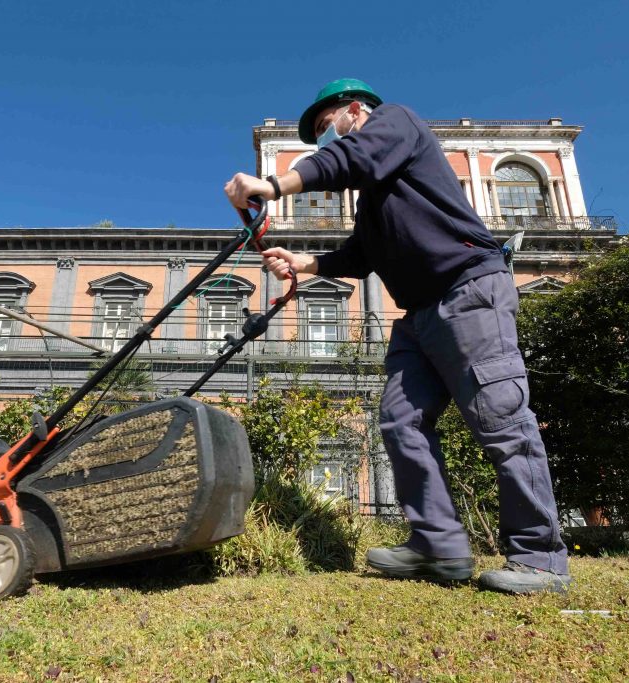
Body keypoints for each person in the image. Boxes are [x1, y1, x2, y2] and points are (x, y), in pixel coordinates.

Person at [224, 78, 570, 594]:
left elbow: (351, 158)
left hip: (469, 291)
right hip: (419, 314)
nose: (325, 139)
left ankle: (540, 557)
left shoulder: (395, 124)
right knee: (399, 420)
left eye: (326, 126)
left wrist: (272, 186)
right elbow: (362, 254)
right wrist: (305, 261)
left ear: (356, 110)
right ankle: (438, 545)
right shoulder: (377, 196)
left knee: (501, 419)